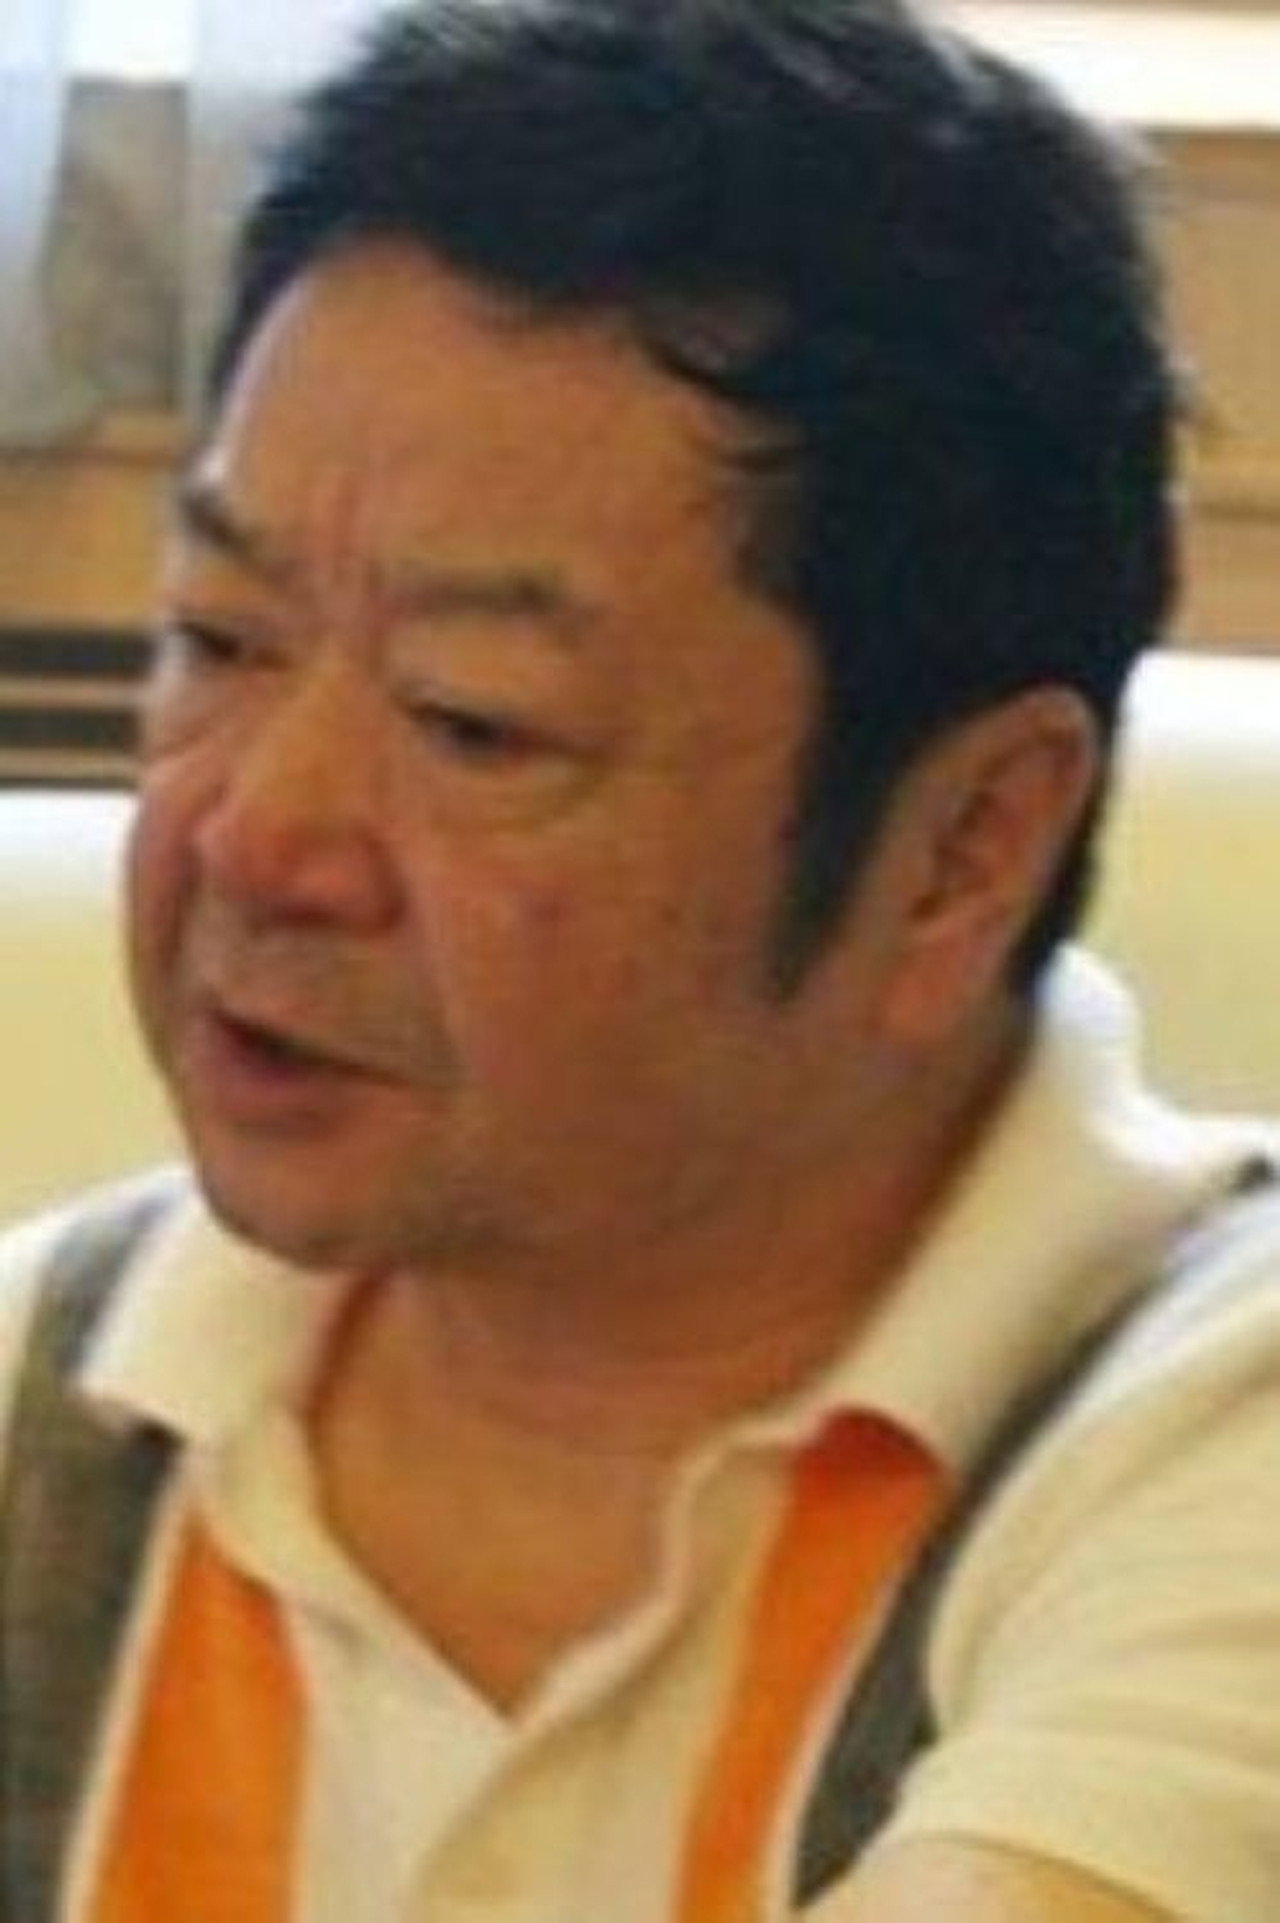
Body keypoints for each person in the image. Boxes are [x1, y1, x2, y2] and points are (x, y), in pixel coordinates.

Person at [1, 1, 1278, 1917]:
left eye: (475, 722)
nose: (256, 837)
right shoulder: (49, 1394)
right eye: (222, 638)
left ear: (963, 851)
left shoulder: (1217, 1430)